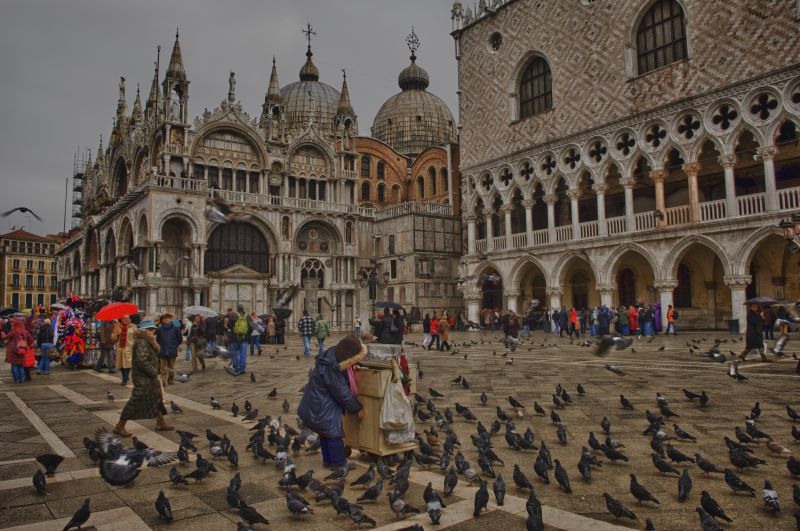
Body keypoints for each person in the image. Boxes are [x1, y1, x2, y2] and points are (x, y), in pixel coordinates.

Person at [297, 335, 365, 468]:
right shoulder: (332, 367)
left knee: (325, 433)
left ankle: (328, 461)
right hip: (322, 406)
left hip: (317, 403)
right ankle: (339, 463)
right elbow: (342, 393)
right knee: (333, 434)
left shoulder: (330, 357)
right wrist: (357, 408)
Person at [113, 319, 173, 437]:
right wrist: (153, 371)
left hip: (149, 377)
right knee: (135, 401)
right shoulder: (142, 342)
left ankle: (160, 422)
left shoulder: (148, 341)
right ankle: (119, 426)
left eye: (153, 329)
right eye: (150, 330)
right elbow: (141, 360)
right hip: (143, 378)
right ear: (145, 331)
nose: (153, 332)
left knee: (156, 398)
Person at [4, 317, 33, 383]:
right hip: (22, 350)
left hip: (14, 350)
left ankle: (17, 379)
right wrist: (26, 344)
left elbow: (6, 337)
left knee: (15, 365)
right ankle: (22, 379)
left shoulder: (13, 331)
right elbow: (31, 339)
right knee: (21, 365)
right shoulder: (25, 331)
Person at [155, 313, 182, 385]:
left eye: (168, 318)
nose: (166, 319)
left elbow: (180, 339)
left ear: (170, 319)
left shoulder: (176, 328)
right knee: (163, 367)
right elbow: (157, 339)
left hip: (172, 350)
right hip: (162, 351)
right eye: (165, 318)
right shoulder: (160, 329)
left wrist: (174, 345)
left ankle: (170, 379)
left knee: (171, 367)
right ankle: (163, 381)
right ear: (163, 320)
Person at [113, 314, 137, 385]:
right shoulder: (118, 326)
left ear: (130, 319)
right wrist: (117, 334)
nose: (126, 320)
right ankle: (125, 377)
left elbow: (137, 336)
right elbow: (113, 338)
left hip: (129, 348)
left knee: (128, 364)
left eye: (128, 318)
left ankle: (125, 378)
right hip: (120, 348)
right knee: (121, 364)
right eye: (124, 318)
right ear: (121, 319)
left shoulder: (133, 326)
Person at [227, 305, 250, 373]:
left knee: (234, 353)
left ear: (237, 309)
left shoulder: (233, 315)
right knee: (243, 354)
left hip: (234, 338)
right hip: (244, 338)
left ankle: (236, 367)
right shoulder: (247, 316)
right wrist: (247, 334)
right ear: (243, 309)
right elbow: (251, 327)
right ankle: (242, 369)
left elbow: (229, 326)